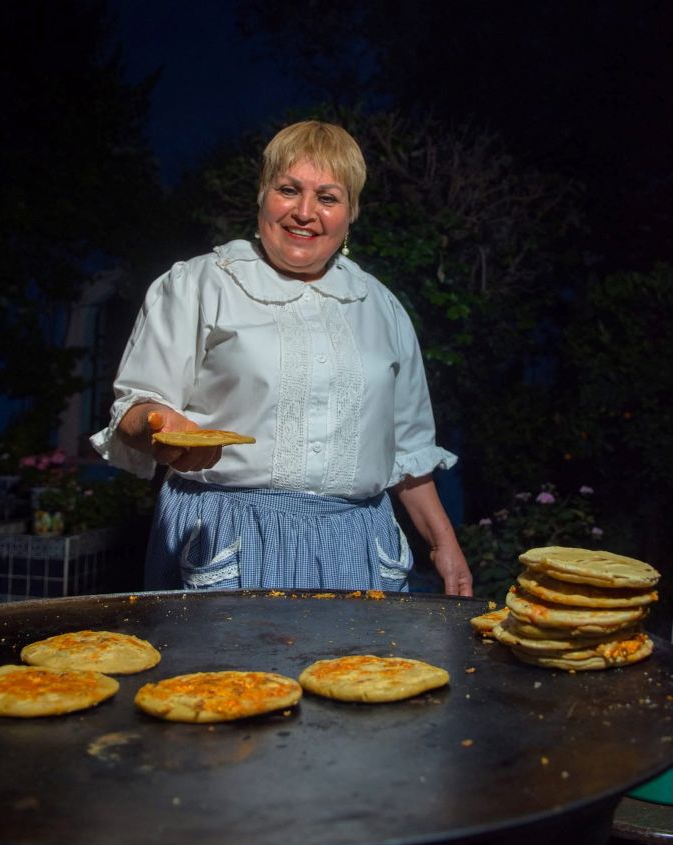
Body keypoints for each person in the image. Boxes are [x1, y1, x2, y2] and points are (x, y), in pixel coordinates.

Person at [91, 120, 473, 597]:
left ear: (351, 212)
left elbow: (408, 453)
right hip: (225, 536)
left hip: (359, 545)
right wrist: (157, 424)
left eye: (328, 198)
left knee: (359, 673)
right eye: (288, 190)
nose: (305, 212)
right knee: (228, 674)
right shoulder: (198, 285)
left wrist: (443, 545)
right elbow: (135, 408)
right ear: (262, 195)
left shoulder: (382, 308)